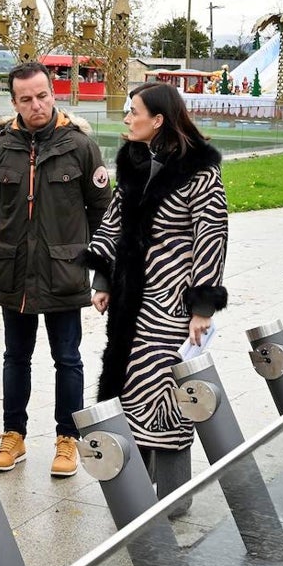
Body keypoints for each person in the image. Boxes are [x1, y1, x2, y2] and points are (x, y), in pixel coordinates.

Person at [84, 83, 228, 502]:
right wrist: (104, 279)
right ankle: (135, 488)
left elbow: (212, 233)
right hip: (131, 296)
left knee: (164, 390)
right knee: (129, 384)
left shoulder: (199, 169)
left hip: (170, 298)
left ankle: (172, 494)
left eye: (134, 112)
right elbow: (114, 219)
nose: (127, 119)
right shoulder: (132, 160)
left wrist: (202, 306)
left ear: (159, 120)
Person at [0, 61, 112, 477]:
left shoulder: (79, 146)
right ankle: (13, 436)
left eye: (42, 96)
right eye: (26, 99)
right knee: (15, 356)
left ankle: (67, 439)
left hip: (64, 272)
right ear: (14, 101)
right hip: (15, 271)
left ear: (53, 94)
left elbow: (103, 215)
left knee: (67, 358)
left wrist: (99, 273)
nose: (36, 105)